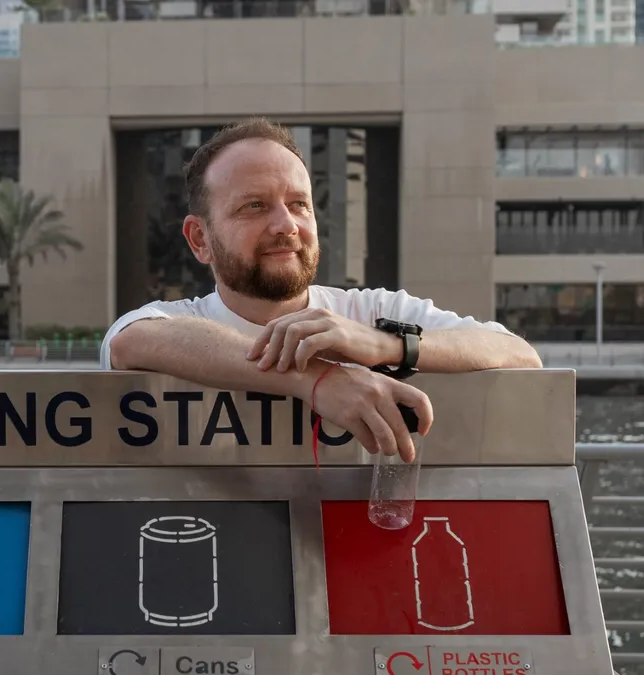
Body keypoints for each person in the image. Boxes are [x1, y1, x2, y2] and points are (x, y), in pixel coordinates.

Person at [102, 118, 542, 463]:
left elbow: (519, 355)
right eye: (254, 206)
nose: (285, 225)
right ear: (200, 239)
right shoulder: (181, 324)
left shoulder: (373, 312)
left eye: (298, 205)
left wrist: (384, 345)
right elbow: (130, 340)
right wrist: (317, 380)